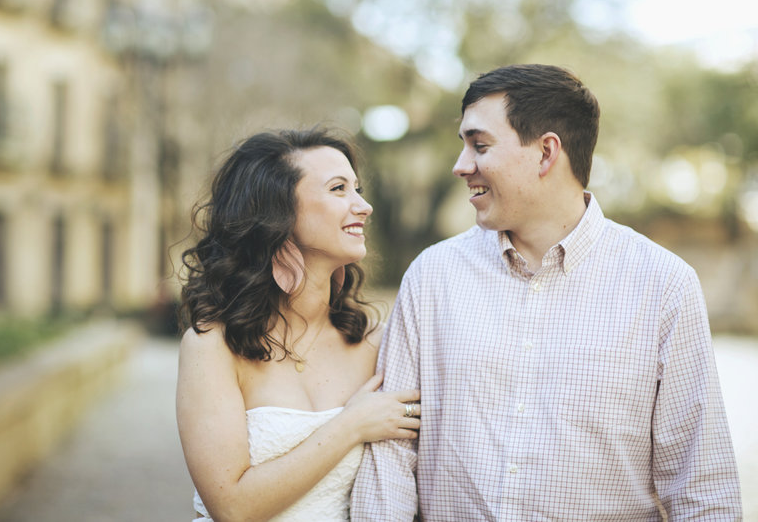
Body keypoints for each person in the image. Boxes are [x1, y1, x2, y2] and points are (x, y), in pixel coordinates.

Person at [351, 64, 742, 520]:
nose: (461, 166)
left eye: (479, 145)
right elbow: (392, 460)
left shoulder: (664, 286)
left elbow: (700, 484)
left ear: (545, 153)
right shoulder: (431, 278)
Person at [177, 128, 421, 521]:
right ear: (279, 213)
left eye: (357, 189)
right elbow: (232, 507)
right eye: (339, 189)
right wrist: (351, 425)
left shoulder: (376, 343)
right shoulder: (213, 347)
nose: (364, 206)